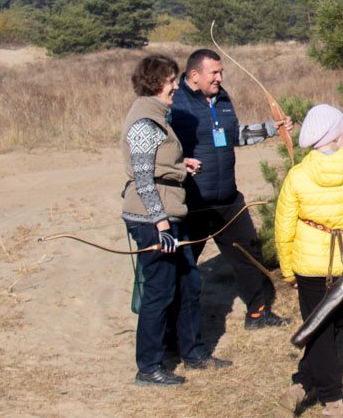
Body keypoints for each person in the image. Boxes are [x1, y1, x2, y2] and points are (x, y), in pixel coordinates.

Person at [122, 54, 232, 386]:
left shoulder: (159, 116)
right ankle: (149, 367)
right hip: (153, 219)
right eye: (171, 81)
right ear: (157, 83)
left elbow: (157, 163)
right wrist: (161, 225)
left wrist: (180, 166)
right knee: (159, 291)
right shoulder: (144, 121)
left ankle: (194, 354)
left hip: (170, 212)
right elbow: (143, 178)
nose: (175, 86)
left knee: (188, 284)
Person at [169, 48, 292, 330]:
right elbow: (161, 147)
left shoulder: (222, 98)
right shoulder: (176, 103)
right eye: (214, 73)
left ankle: (257, 314)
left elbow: (234, 135)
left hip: (228, 199)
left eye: (221, 72)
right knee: (182, 266)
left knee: (248, 252)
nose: (220, 78)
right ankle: (175, 328)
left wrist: (273, 128)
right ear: (194, 75)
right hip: (192, 202)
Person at [274, 104, 343, 418]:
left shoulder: (297, 175)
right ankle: (325, 394)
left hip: (310, 265)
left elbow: (284, 229)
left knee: (321, 329)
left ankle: (314, 391)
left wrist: (288, 270)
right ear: (336, 135)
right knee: (324, 328)